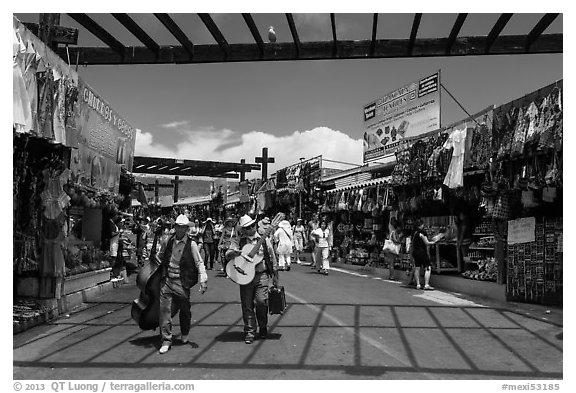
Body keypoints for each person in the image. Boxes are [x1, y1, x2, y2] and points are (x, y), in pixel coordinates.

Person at [158, 214, 208, 354]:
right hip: (167, 280)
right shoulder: (168, 241)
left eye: (183, 227)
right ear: (175, 227)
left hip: (182, 282)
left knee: (185, 310)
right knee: (164, 311)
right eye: (178, 227)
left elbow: (199, 262)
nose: (180, 230)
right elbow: (161, 255)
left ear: (187, 229)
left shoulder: (191, 244)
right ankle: (166, 339)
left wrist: (203, 280)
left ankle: (184, 332)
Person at [225, 214, 279, 344]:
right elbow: (228, 254)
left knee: (261, 301)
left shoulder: (263, 239)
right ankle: (250, 331)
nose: (251, 228)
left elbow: (272, 256)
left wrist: (276, 276)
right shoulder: (238, 241)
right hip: (244, 275)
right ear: (243, 230)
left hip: (262, 275)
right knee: (247, 304)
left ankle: (263, 326)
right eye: (248, 227)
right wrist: (235, 253)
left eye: (253, 225)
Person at [411, 219, 440, 290]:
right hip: (422, 252)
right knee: (427, 267)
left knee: (417, 267)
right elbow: (426, 243)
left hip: (415, 252)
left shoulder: (414, 232)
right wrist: (434, 242)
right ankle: (426, 284)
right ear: (421, 225)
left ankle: (418, 284)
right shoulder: (422, 233)